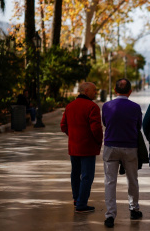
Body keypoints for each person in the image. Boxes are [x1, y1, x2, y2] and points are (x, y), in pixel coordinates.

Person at [101, 79, 143, 228]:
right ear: (130, 91)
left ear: (115, 90)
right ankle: (134, 209)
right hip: (130, 147)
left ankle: (110, 215)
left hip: (111, 146)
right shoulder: (135, 107)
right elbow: (139, 125)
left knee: (110, 182)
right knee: (132, 180)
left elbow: (105, 122)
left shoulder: (106, 106)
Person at [60, 82, 103, 213]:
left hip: (74, 146)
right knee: (87, 176)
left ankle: (76, 199)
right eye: (94, 90)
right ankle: (82, 204)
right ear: (85, 91)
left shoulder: (70, 106)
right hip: (88, 147)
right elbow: (96, 129)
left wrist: (73, 135)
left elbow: (63, 125)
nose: (95, 92)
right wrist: (98, 141)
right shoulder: (92, 107)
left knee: (75, 173)